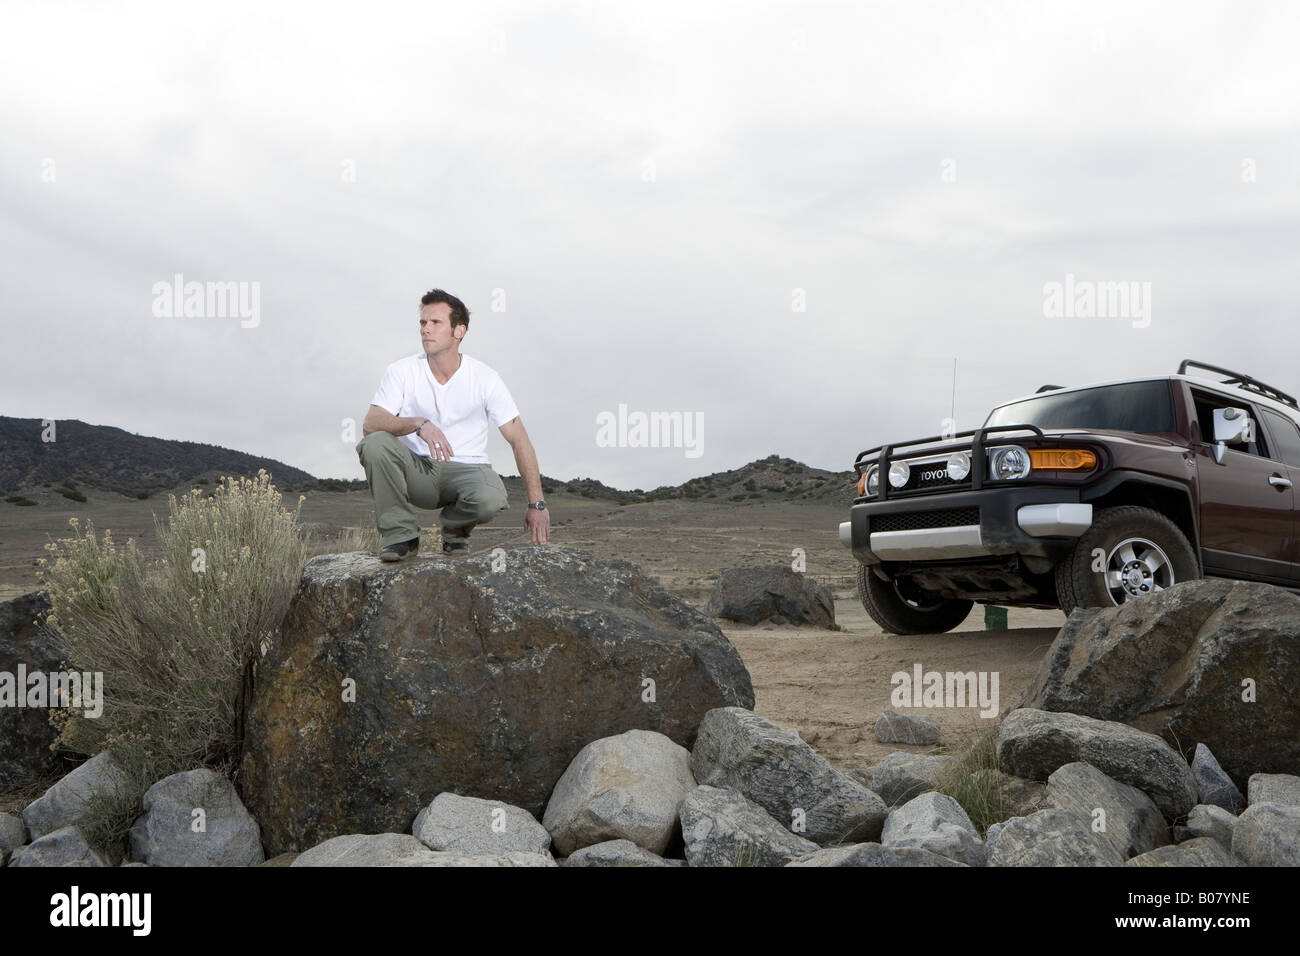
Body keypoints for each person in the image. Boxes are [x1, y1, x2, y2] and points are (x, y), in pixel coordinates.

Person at [356, 288, 550, 560]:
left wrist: (537, 503)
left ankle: (455, 532)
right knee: (374, 443)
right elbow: (370, 424)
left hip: (468, 469)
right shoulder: (401, 371)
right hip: (418, 469)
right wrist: (418, 424)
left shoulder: (485, 378)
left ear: (459, 331)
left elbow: (519, 439)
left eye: (436, 323)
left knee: (491, 498)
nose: (426, 329)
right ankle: (402, 537)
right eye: (423, 323)